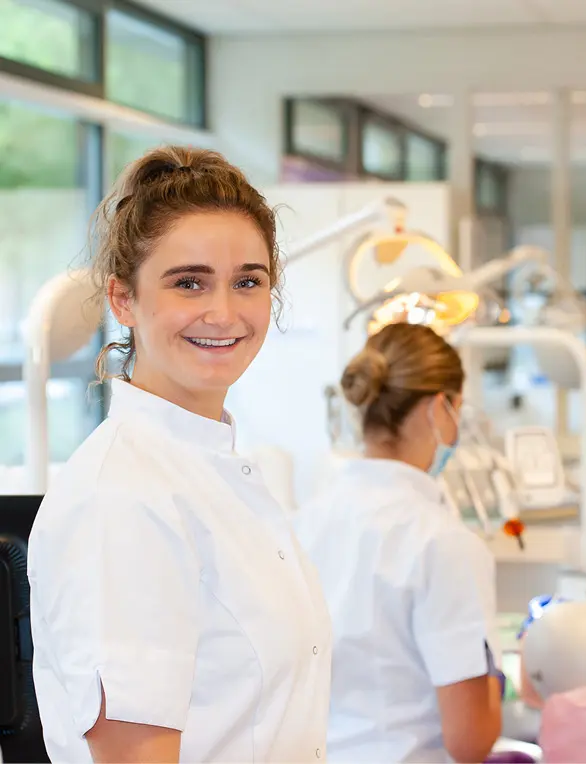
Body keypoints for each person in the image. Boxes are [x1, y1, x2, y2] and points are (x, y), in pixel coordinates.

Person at [27, 147, 332, 763]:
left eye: (248, 281)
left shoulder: (216, 470)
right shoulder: (123, 499)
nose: (223, 313)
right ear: (122, 300)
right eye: (188, 282)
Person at [294, 322, 503, 763]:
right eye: (457, 410)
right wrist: (495, 682)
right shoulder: (443, 543)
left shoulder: (303, 524)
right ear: (440, 408)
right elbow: (469, 740)